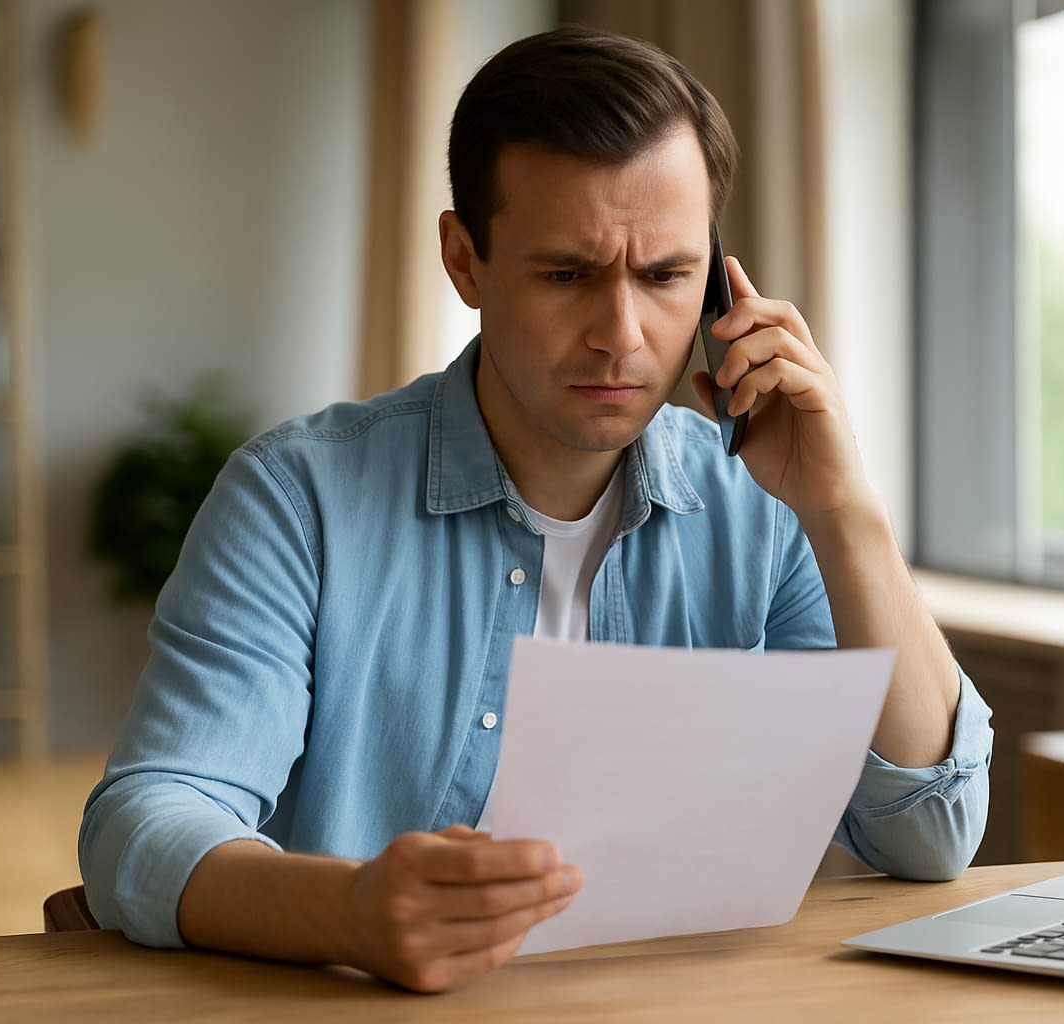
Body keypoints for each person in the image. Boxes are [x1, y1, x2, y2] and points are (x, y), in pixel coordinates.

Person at [79, 25, 993, 994]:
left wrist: (845, 511)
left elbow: (928, 836)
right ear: (464, 260)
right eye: (567, 275)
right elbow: (150, 816)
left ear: (723, 283)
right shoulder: (297, 497)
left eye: (665, 275)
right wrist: (346, 909)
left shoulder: (765, 501)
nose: (622, 335)